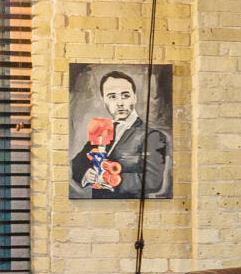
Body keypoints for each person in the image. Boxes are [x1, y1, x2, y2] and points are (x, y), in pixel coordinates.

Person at [71, 68, 170, 198]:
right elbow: (77, 163)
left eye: (125, 95)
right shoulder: (102, 130)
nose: (120, 103)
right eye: (112, 96)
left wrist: (111, 179)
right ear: (104, 100)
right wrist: (86, 174)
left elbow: (152, 181)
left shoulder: (152, 136)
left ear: (134, 98)